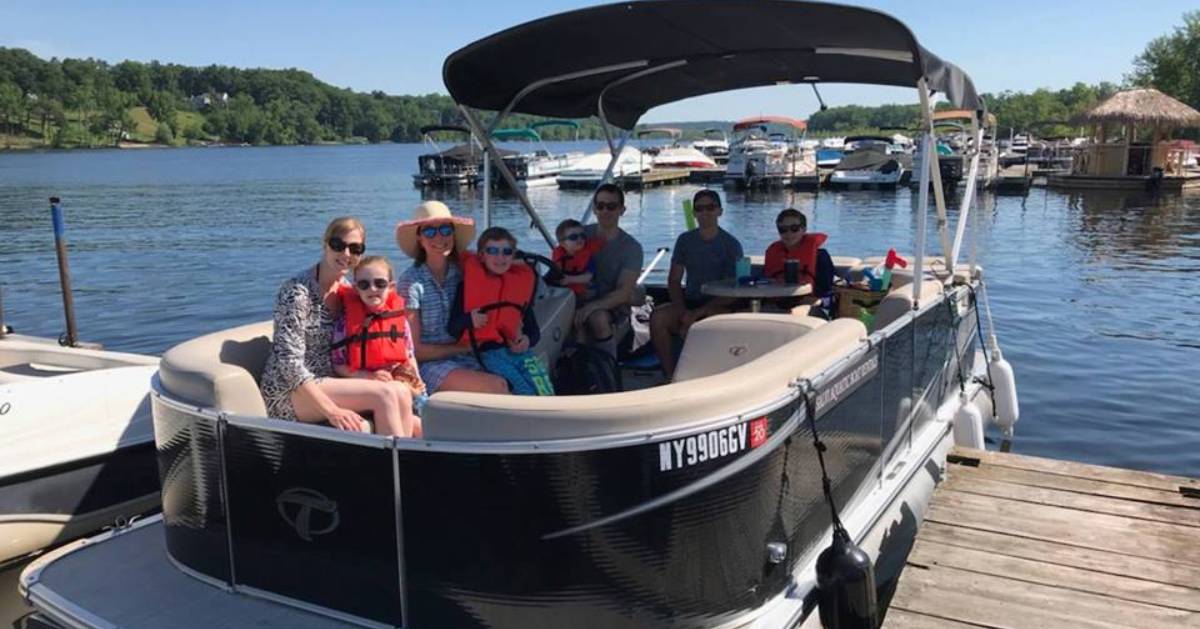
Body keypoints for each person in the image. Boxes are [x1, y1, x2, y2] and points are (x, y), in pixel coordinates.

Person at [260, 217, 417, 437]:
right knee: (385, 395)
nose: (346, 254)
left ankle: (405, 463)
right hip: (292, 390)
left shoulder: (349, 292)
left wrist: (371, 375)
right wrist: (332, 411)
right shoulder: (296, 292)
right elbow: (289, 364)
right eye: (338, 245)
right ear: (325, 245)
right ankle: (395, 468)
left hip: (334, 380)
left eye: (355, 248)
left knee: (401, 392)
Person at [395, 201, 509, 395]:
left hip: (469, 356)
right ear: (420, 239)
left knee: (515, 378)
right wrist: (461, 348)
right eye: (430, 232)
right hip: (430, 366)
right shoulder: (411, 282)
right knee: (497, 386)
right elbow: (415, 351)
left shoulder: (464, 272)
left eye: (446, 229)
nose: (439, 237)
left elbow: (500, 263)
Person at [650, 190, 744, 379]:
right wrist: (682, 310)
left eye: (710, 207)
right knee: (658, 317)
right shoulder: (685, 240)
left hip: (719, 304)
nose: (705, 213)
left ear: (720, 211)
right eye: (699, 208)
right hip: (690, 300)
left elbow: (734, 291)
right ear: (693, 213)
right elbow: (674, 280)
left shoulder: (731, 245)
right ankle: (670, 377)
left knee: (706, 320)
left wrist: (697, 314)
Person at [449, 227, 554, 396]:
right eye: (492, 251)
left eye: (507, 252)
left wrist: (527, 339)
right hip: (489, 354)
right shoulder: (468, 287)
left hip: (520, 351)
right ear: (482, 255)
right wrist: (469, 319)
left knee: (546, 390)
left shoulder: (518, 287)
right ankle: (527, 421)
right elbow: (453, 327)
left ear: (513, 256)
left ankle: (552, 419)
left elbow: (533, 330)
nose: (500, 257)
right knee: (524, 391)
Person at [330, 255, 425, 436]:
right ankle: (398, 455)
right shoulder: (345, 325)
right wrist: (367, 376)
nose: (372, 289)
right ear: (356, 289)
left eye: (379, 283)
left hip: (398, 381)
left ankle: (407, 453)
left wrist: (417, 381)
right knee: (397, 392)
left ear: (391, 287)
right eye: (364, 284)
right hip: (362, 383)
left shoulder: (399, 320)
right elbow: (338, 365)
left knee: (421, 423)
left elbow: (409, 354)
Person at [577, 183, 644, 359]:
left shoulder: (632, 248)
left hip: (613, 307)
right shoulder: (580, 236)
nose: (605, 211)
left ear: (622, 210)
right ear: (594, 209)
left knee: (597, 318)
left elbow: (623, 293)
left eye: (611, 206)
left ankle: (607, 370)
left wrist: (593, 306)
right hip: (577, 298)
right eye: (600, 206)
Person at [762, 209, 835, 298]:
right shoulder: (772, 253)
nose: (789, 233)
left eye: (794, 228)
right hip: (777, 301)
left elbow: (826, 291)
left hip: (809, 302)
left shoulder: (820, 256)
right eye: (783, 229)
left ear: (804, 229)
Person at [550, 218, 602, 301]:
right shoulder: (559, 255)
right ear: (562, 243)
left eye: (582, 236)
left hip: (584, 292)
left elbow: (588, 277)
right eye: (573, 237)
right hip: (565, 292)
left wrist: (569, 279)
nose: (579, 239)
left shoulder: (588, 256)